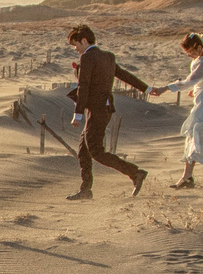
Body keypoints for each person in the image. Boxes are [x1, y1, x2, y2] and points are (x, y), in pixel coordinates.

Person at [63, 23, 148, 199]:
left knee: (95, 151)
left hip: (96, 110)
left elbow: (83, 86)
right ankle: (85, 190)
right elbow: (124, 75)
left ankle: (135, 173)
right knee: (83, 150)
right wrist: (146, 89)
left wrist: (77, 114)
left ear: (84, 41)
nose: (76, 49)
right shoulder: (108, 56)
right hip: (105, 109)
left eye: (76, 44)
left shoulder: (88, 57)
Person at [146, 32, 203, 187]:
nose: (190, 55)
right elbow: (198, 80)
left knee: (196, 133)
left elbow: (188, 82)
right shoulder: (201, 60)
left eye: (191, 51)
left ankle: (187, 177)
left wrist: (165, 88)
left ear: (199, 47)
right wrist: (196, 88)